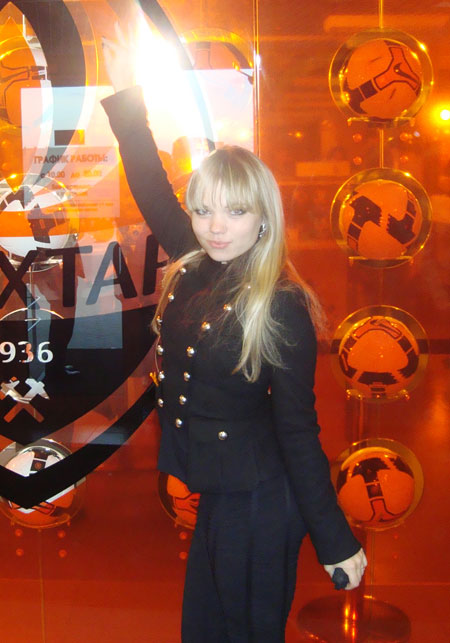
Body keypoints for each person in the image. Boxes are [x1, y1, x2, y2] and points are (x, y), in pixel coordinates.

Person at [101, 24, 366, 643]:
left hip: (262, 501)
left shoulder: (282, 304)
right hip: (221, 490)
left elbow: (298, 430)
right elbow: (150, 186)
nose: (216, 227)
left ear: (263, 218)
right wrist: (127, 95)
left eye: (236, 210)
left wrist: (334, 540)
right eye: (203, 210)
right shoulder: (199, 260)